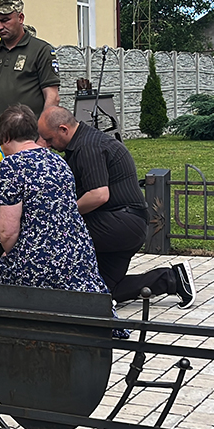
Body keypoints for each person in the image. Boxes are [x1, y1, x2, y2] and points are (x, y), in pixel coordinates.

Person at [0, 105, 126, 337]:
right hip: (79, 258)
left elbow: (7, 233)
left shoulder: (11, 166)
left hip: (40, 260)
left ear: (5, 138)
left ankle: (19, 338)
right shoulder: (58, 162)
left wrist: (10, 253)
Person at [38, 106, 195, 307]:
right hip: (127, 224)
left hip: (120, 223)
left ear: (63, 129)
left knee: (56, 233)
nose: (48, 145)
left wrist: (62, 215)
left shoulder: (88, 147)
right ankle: (173, 278)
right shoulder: (84, 142)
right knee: (102, 291)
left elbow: (98, 195)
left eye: (49, 139)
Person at [0, 0, 60, 125]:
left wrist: (43, 136)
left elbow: (52, 97)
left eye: (5, 20)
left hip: (29, 136)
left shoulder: (41, 50)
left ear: (20, 18)